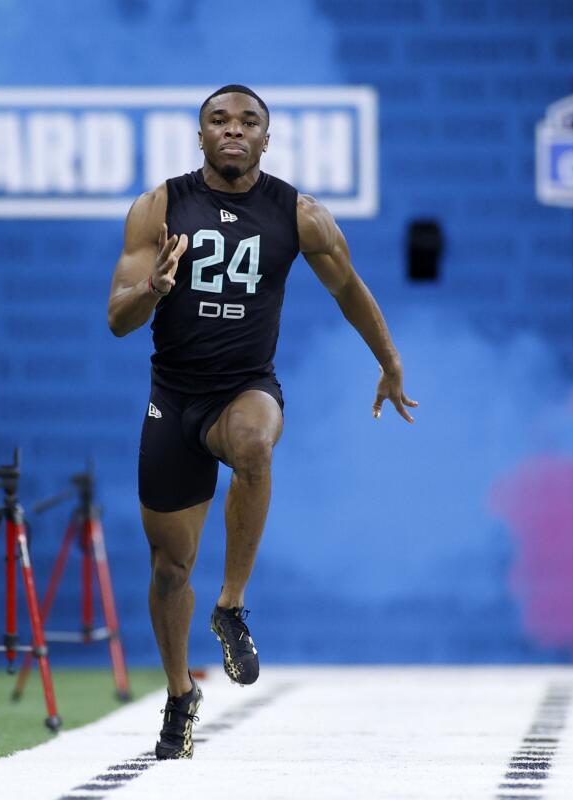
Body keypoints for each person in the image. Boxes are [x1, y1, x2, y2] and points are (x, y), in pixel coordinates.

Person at [107, 84, 417, 760]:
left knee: (253, 443)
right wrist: (154, 289)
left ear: (266, 139)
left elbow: (349, 290)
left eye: (248, 121)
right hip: (175, 397)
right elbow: (117, 319)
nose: (233, 130)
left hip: (245, 389)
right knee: (168, 567)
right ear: (200, 136)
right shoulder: (159, 206)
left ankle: (232, 605)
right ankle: (180, 695)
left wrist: (389, 363)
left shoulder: (298, 213)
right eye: (219, 120)